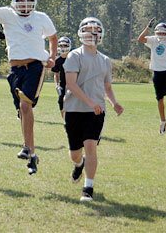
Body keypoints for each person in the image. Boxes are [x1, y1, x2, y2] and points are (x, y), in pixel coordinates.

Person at [0, 0, 57, 175]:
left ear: (34, 1)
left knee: (25, 106)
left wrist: (52, 56)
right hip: (15, 70)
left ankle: (27, 148)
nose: (24, 3)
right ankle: (32, 155)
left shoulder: (41, 17)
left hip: (35, 66)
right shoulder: (7, 14)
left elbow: (53, 37)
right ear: (14, 1)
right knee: (22, 112)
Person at [64, 17, 124, 201]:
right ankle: (79, 163)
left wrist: (114, 103)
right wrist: (90, 102)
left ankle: (88, 188)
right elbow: (71, 85)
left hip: (96, 111)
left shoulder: (105, 60)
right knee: (75, 153)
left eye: (95, 31)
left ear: (100, 35)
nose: (92, 34)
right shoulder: (74, 55)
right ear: (81, 33)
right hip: (74, 109)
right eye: (88, 31)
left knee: (91, 146)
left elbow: (107, 86)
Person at [137, 19, 166, 134]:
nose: (161, 35)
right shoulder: (153, 40)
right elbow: (140, 39)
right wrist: (147, 27)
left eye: (163, 33)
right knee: (160, 99)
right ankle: (163, 121)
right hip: (157, 72)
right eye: (159, 33)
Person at [51, 36, 72, 118]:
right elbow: (56, 74)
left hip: (74, 84)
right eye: (61, 45)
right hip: (63, 84)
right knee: (61, 101)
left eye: (65, 45)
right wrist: (57, 85)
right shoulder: (57, 60)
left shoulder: (73, 58)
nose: (63, 47)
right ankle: (65, 121)